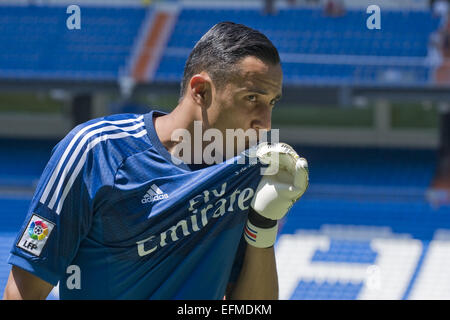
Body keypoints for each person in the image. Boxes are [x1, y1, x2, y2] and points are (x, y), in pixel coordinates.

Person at [2, 22, 308, 300]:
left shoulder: (245, 177)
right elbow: (24, 292)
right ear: (200, 90)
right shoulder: (96, 152)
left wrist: (263, 226)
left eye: (271, 103)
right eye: (252, 98)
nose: (266, 123)